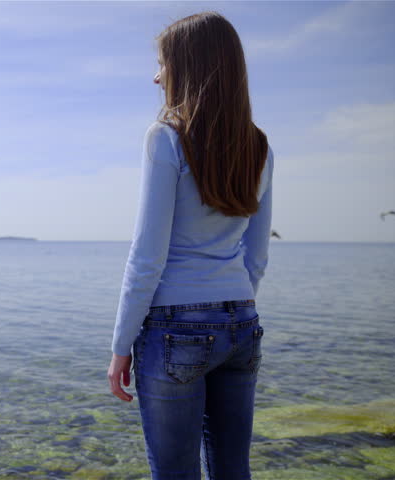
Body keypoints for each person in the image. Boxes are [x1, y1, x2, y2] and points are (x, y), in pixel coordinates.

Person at [107, 11, 273, 480]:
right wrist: (229, 312)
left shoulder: (166, 138)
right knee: (231, 468)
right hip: (242, 320)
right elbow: (256, 255)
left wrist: (121, 345)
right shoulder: (259, 146)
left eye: (162, 63)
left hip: (174, 327)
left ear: (190, 65)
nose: (155, 76)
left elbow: (147, 255)